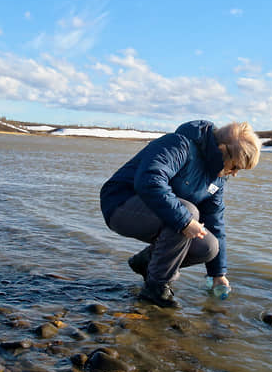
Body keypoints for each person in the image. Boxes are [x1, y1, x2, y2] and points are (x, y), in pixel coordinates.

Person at [100, 120, 261, 308]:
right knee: (188, 214)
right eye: (235, 167)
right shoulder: (179, 144)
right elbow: (149, 180)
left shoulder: (217, 179)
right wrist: (185, 221)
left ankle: (146, 263)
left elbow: (215, 221)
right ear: (222, 150)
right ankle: (156, 289)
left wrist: (218, 274)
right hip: (120, 205)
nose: (234, 174)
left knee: (209, 246)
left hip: (164, 214)